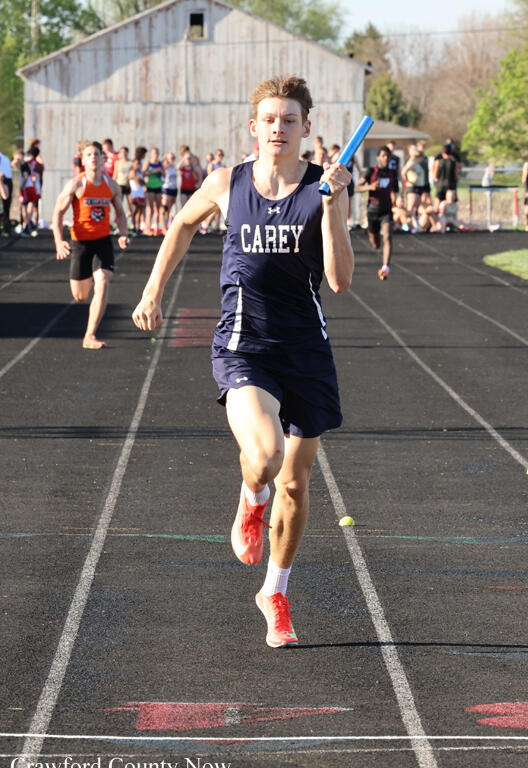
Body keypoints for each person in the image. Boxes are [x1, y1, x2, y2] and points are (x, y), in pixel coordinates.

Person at [132, 75, 354, 648]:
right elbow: (181, 223)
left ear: (307, 128)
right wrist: (153, 290)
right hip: (243, 344)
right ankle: (249, 498)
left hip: (305, 348)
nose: (278, 129)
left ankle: (274, 592)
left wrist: (331, 206)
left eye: (290, 120)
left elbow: (339, 280)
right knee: (265, 454)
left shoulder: (324, 187)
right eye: (269, 120)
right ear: (252, 126)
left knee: (298, 488)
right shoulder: (227, 183)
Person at [52, 141, 129, 349]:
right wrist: (59, 241)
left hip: (103, 241)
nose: (93, 157)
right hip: (80, 244)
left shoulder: (111, 185)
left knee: (103, 282)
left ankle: (90, 335)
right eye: (89, 154)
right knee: (80, 296)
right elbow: (58, 212)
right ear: (83, 160)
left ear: (103, 159)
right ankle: (89, 328)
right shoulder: (76, 185)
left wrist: (122, 234)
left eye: (97, 154)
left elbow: (120, 214)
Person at [355, 145, 397, 280]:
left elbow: (395, 190)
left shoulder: (392, 173)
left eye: (387, 157)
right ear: (378, 157)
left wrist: (398, 198)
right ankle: (374, 238)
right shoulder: (371, 171)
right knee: (376, 243)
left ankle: (385, 267)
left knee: (387, 237)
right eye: (383, 156)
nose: (385, 159)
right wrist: (370, 187)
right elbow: (357, 188)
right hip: (372, 211)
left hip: (386, 211)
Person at [143, 147, 164, 235]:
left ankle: (156, 227)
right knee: (150, 208)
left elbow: (164, 174)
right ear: (151, 154)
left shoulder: (160, 163)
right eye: (154, 153)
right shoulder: (148, 163)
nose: (155, 155)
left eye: (157, 153)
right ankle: (147, 228)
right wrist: (155, 171)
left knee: (159, 208)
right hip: (150, 187)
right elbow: (143, 173)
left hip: (158, 186)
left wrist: (162, 171)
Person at [0, 149, 13, 236]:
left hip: (4, 181)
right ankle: (6, 228)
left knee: (5, 206)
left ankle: (6, 228)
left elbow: (1, 174)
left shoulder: (3, 158)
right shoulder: (5, 158)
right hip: (6, 181)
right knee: (5, 207)